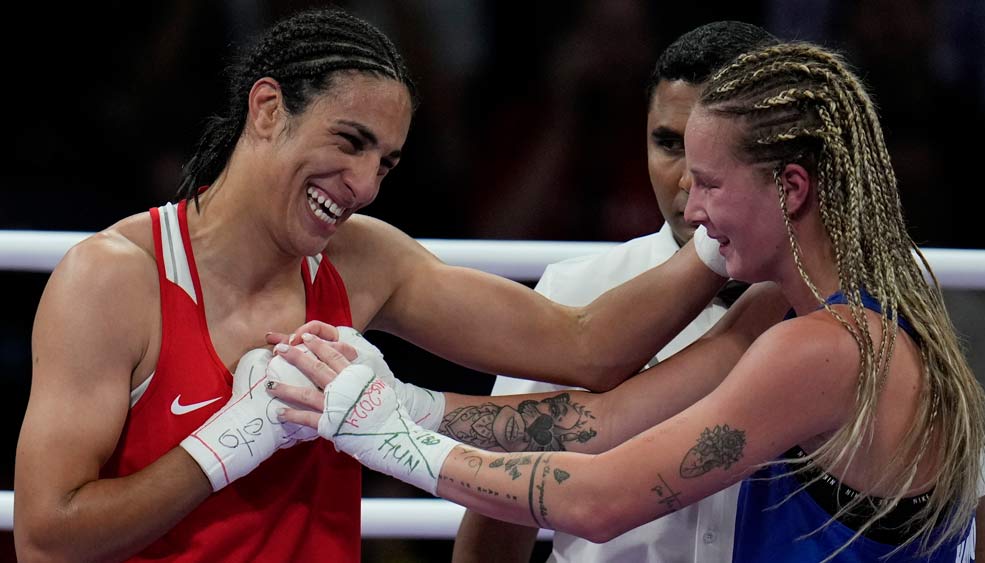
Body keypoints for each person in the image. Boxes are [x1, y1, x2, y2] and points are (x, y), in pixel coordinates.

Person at [13, 7, 734, 563]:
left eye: (386, 163)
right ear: (268, 110)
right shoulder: (112, 278)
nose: (362, 185)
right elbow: (47, 538)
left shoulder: (362, 262)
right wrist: (223, 446)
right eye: (349, 141)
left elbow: (588, 346)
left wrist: (726, 222)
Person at [271, 40, 985, 561]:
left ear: (792, 188)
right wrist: (404, 401)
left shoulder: (823, 348)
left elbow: (599, 499)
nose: (693, 207)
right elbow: (598, 420)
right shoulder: (818, 314)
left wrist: (383, 437)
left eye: (711, 182)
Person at [454, 21, 776, 563]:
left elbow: (961, 503)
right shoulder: (577, 291)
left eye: (718, 150)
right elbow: (500, 521)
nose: (686, 180)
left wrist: (399, 420)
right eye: (668, 144)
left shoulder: (846, 307)